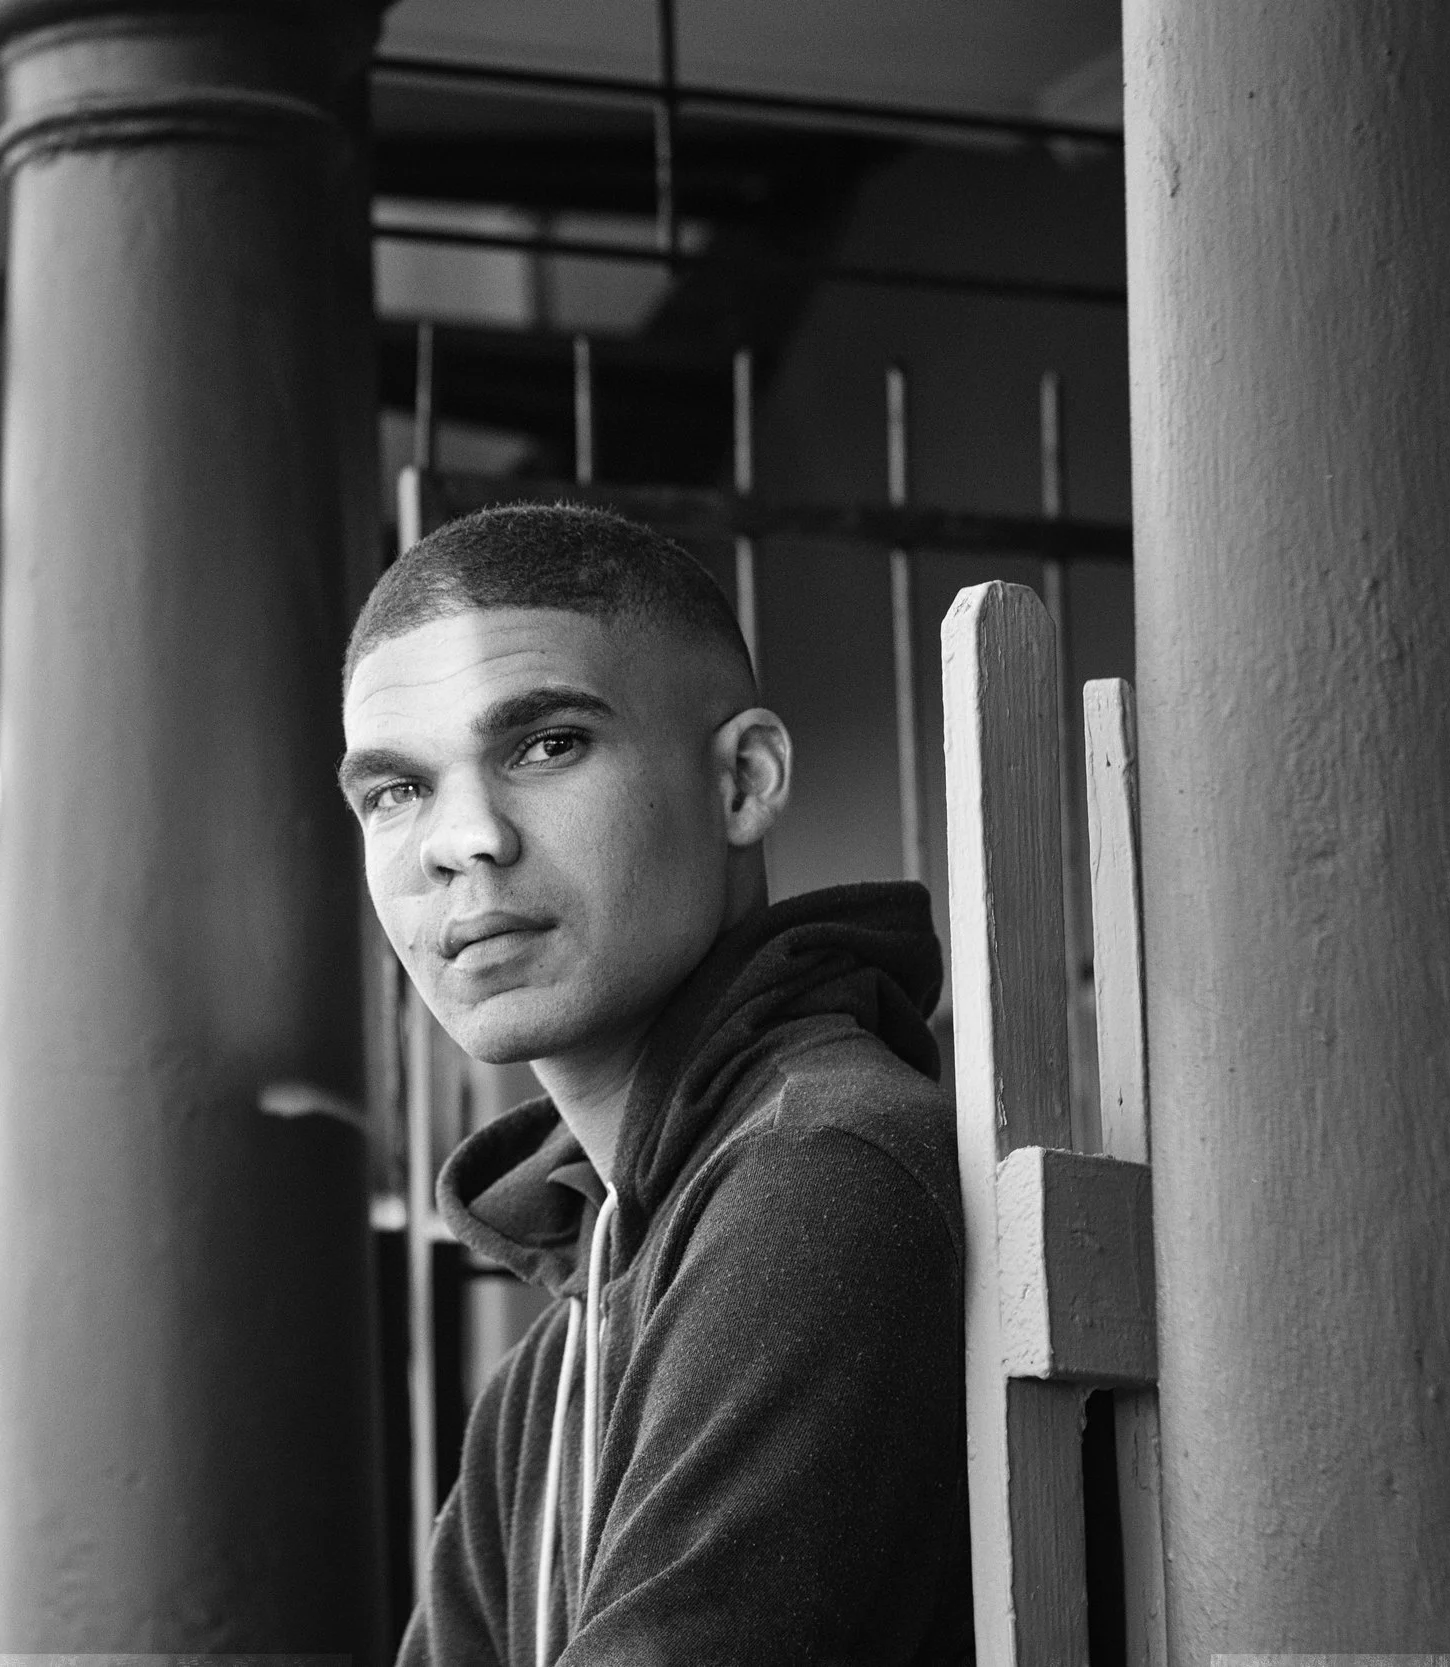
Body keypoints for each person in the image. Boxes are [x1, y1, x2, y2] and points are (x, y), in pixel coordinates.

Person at [338, 503, 974, 1665]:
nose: (461, 840)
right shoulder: (549, 1367)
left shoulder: (824, 1173)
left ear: (743, 780)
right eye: (395, 791)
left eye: (546, 746)